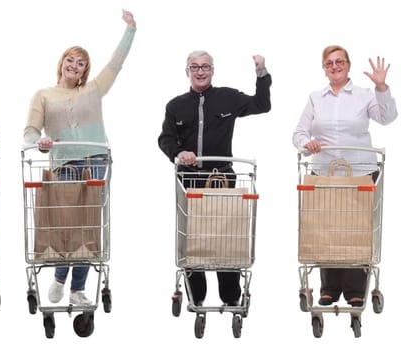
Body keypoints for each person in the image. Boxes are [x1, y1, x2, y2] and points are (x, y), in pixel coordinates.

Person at [24, 10, 135, 306]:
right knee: (66, 224)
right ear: (62, 64)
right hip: (64, 165)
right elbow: (30, 132)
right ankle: (61, 278)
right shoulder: (43, 95)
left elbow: (116, 63)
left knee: (88, 225)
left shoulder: (94, 90)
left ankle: (77, 289)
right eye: (70, 60)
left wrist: (130, 30)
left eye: (81, 63)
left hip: (96, 160)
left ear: (85, 71)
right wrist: (42, 142)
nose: (75, 65)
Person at [157, 50, 271, 307]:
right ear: (187, 71)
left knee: (225, 237)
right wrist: (178, 152)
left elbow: (262, 105)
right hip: (189, 182)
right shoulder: (176, 105)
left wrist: (261, 73)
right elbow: (165, 138)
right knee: (193, 237)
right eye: (194, 67)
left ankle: (230, 297)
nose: (200, 71)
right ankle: (196, 296)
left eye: (205, 67)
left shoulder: (228, 98)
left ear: (212, 71)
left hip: (222, 179)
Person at [292, 45, 396, 307]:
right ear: (324, 68)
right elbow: (298, 134)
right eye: (329, 63)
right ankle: (329, 286)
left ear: (348, 65)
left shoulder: (364, 95)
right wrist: (309, 143)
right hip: (324, 174)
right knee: (326, 228)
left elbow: (387, 118)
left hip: (359, 173)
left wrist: (382, 88)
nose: (335, 66)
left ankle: (354, 288)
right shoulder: (317, 97)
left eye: (340, 61)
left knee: (355, 229)